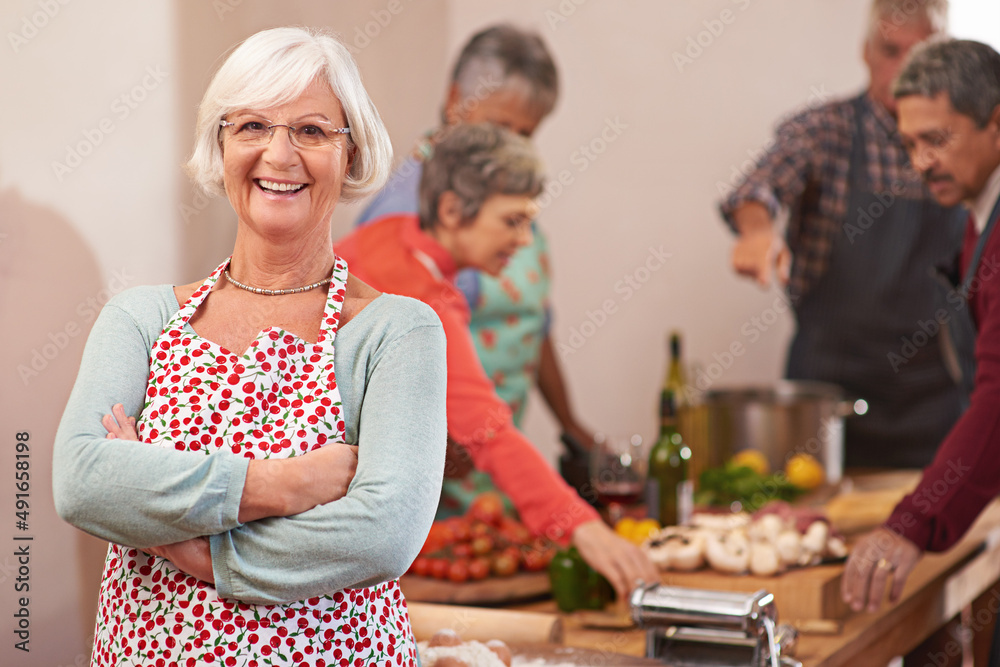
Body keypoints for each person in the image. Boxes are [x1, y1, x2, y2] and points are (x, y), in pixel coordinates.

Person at [53, 27, 448, 666]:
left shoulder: (398, 331)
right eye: (252, 127)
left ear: (350, 155)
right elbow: (82, 481)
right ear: (221, 145)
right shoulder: (141, 318)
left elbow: (383, 534)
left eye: (313, 131)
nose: (280, 154)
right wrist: (282, 485)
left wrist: (190, 549)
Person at [336, 123, 659, 598]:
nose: (526, 240)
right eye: (512, 221)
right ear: (450, 211)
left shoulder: (385, 237)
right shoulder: (423, 302)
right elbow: (489, 431)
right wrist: (583, 529)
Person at [718, 0, 974, 469]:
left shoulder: (966, 145)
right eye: (891, 51)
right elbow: (760, 188)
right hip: (827, 405)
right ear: (865, 52)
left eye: (921, 55)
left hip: (933, 407)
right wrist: (758, 232)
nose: (905, 71)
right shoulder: (825, 132)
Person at [357, 25, 596, 515]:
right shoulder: (401, 220)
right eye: (498, 125)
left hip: (497, 463)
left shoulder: (500, 198)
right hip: (438, 478)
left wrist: (572, 426)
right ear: (454, 100)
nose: (506, 144)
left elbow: (534, 324)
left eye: (525, 134)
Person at [842, 40, 1000, 614]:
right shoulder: (977, 213)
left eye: (937, 139)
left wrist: (912, 524)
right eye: (910, 144)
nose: (920, 163)